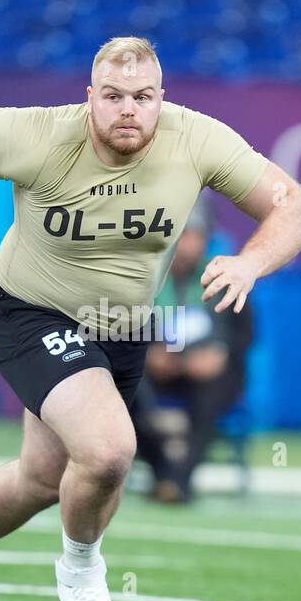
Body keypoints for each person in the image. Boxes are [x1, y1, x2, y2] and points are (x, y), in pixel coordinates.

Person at [0, 35, 301, 601]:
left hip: (124, 328)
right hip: (33, 313)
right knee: (111, 449)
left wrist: (251, 263)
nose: (128, 110)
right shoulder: (39, 136)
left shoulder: (195, 138)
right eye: (114, 96)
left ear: (161, 100)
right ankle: (82, 574)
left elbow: (293, 208)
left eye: (143, 97)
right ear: (89, 97)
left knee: (43, 478)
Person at [130, 195, 253, 504]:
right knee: (124, 386)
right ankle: (164, 471)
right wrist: (148, 354)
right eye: (177, 235)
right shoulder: (147, 280)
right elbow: (124, 330)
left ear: (205, 238)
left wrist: (220, 353)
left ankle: (178, 481)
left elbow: (244, 335)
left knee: (212, 392)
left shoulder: (225, 278)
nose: (183, 244)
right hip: (160, 368)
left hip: (210, 371)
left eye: (191, 235)